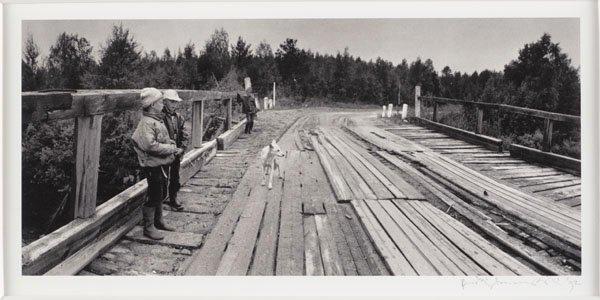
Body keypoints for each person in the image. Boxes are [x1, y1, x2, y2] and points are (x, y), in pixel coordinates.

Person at [131, 88, 184, 240]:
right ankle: (149, 228)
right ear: (153, 105)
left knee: (160, 191)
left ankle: (158, 221)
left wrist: (170, 142)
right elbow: (149, 145)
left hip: (159, 164)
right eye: (161, 102)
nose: (163, 104)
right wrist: (170, 148)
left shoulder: (155, 120)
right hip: (151, 165)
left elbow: (159, 139)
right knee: (154, 194)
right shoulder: (147, 122)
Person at [162, 89, 187, 211]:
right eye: (171, 102)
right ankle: (161, 199)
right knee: (163, 176)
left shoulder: (179, 117)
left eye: (176, 102)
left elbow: (184, 134)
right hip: (164, 152)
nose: (174, 105)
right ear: (165, 102)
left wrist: (182, 148)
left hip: (176, 152)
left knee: (175, 176)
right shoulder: (160, 116)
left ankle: (173, 197)